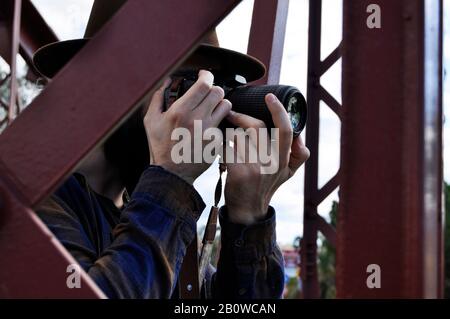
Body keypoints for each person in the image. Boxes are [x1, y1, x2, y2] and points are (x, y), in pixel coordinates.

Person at [34, 0, 310, 299]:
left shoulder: (157, 220)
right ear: (104, 86)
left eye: (215, 92)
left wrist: (249, 215)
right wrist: (170, 178)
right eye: (191, 89)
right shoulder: (24, 205)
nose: (208, 114)